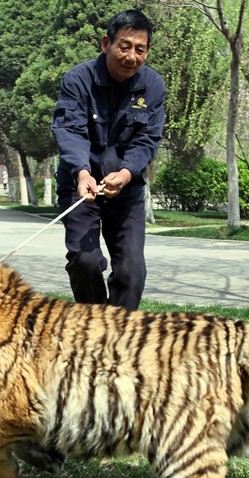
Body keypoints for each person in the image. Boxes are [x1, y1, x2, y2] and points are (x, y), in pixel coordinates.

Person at [51, 9, 166, 311]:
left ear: (147, 51)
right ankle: (94, 325)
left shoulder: (153, 86)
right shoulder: (78, 79)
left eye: (140, 49)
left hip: (126, 190)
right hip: (81, 187)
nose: (131, 56)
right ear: (106, 44)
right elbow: (70, 130)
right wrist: (81, 172)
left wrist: (127, 173)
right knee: (85, 261)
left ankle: (117, 336)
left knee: (131, 272)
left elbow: (147, 139)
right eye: (124, 46)